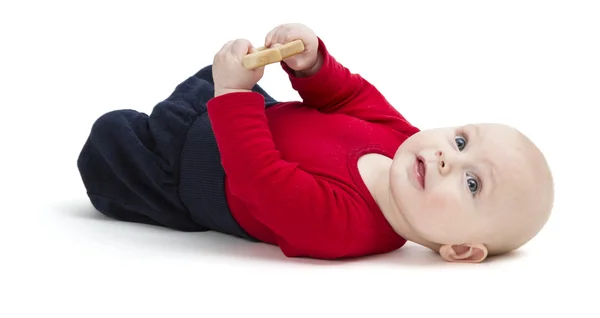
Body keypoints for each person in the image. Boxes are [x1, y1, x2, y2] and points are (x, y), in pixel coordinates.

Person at [77, 23, 554, 263]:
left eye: (472, 184)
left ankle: (155, 143)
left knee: (108, 140)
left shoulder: (346, 230)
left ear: (460, 249)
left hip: (191, 171)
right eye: (461, 139)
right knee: (213, 83)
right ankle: (205, 102)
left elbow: (258, 179)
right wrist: (312, 63)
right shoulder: (407, 144)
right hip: (247, 114)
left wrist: (233, 94)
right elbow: (352, 96)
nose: (448, 157)